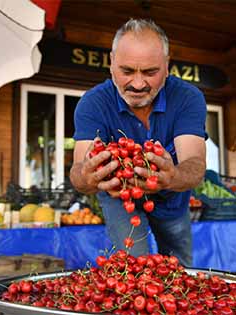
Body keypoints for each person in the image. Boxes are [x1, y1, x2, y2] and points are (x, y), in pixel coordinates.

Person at [70, 18, 206, 267]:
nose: (138, 84)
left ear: (166, 67)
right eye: (127, 71)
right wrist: (87, 178)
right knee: (134, 267)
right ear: (111, 64)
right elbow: (78, 170)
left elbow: (195, 163)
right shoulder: (93, 103)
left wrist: (173, 176)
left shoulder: (187, 97)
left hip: (173, 198)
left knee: (180, 269)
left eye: (151, 72)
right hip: (120, 198)